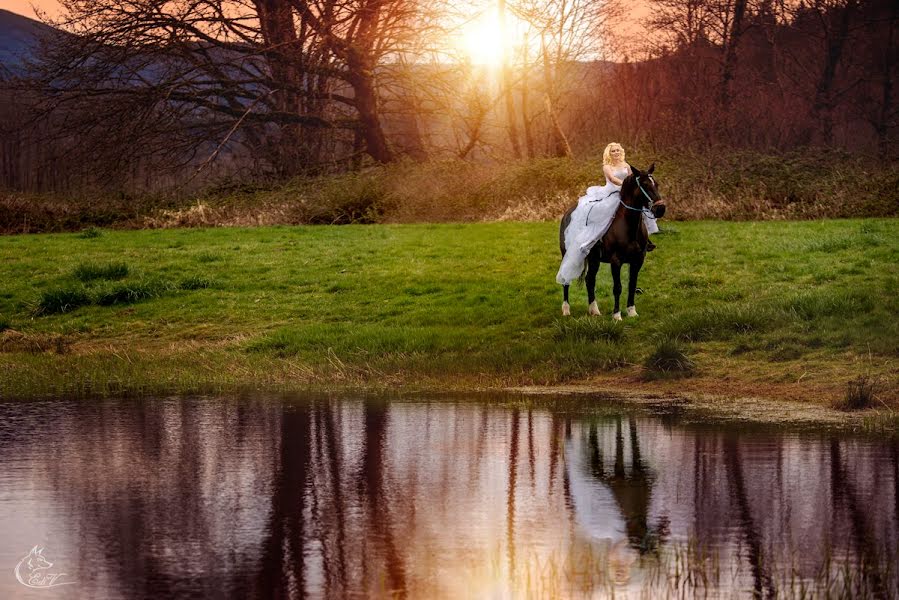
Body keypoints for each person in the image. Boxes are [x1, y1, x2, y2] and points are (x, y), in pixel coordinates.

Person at [556, 143, 658, 286]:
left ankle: (644, 241)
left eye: (617, 150)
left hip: (626, 195)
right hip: (612, 193)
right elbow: (612, 179)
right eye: (613, 151)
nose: (616, 153)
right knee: (602, 213)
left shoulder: (626, 165)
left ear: (621, 152)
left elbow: (633, 179)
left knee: (640, 211)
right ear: (609, 153)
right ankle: (597, 240)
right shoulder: (607, 166)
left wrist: (633, 187)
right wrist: (626, 185)